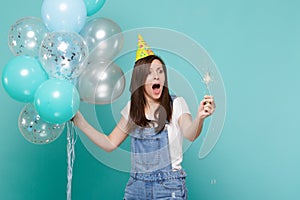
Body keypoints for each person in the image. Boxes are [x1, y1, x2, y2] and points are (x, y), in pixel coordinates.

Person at [72, 34, 216, 199]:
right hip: (137, 187)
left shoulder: (176, 104)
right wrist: (80, 123)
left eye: (160, 71)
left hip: (168, 187)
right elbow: (110, 143)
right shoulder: (132, 109)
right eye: (149, 73)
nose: (156, 76)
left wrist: (200, 118)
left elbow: (190, 134)